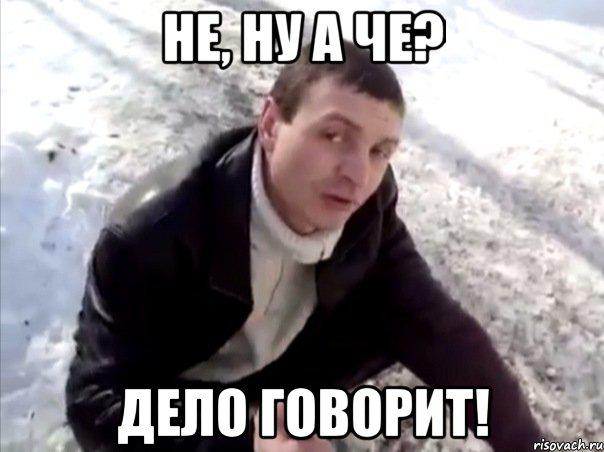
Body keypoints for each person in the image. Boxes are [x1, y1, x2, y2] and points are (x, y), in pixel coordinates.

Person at [65, 41, 543, 451]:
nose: (358, 174)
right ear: (271, 124)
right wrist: (249, 439)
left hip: (281, 379)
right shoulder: (155, 231)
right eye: (334, 135)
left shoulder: (369, 206)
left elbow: (439, 328)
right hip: (181, 403)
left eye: (380, 150)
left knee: (400, 316)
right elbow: (97, 403)